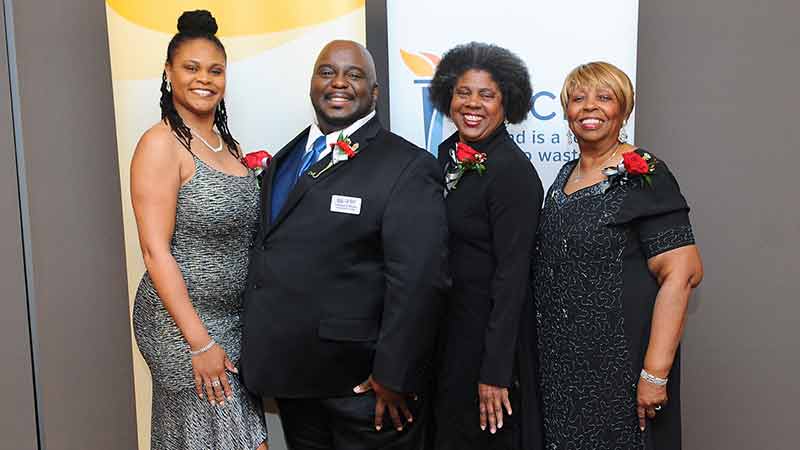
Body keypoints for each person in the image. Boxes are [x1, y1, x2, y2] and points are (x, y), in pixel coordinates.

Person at [240, 40, 448, 450]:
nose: (338, 82)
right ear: (312, 83)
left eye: (354, 75)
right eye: (327, 72)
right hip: (295, 384)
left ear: (374, 92)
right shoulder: (285, 158)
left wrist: (394, 374)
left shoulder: (407, 167)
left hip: (366, 392)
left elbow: (420, 281)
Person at [532, 61, 704, 450]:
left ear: (623, 110)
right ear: (567, 111)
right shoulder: (564, 175)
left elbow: (682, 274)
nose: (589, 107)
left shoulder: (645, 174)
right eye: (578, 98)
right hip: (564, 371)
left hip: (621, 369)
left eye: (604, 97)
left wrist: (655, 374)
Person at [130, 10, 267, 450]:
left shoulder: (231, 146)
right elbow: (155, 251)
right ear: (169, 73)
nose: (204, 79)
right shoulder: (161, 144)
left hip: (230, 322)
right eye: (191, 68)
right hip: (181, 326)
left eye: (215, 70)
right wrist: (199, 343)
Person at [429, 42, 545, 450]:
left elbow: (513, 279)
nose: (472, 104)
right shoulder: (446, 155)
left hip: (484, 344)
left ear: (506, 103)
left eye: (486, 94)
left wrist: (495, 372)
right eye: (463, 92)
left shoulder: (513, 172)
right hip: (446, 337)